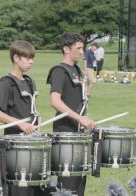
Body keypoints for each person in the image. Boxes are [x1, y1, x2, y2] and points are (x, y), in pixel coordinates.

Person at [47, 32, 96, 196]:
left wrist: (91, 84)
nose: (82, 52)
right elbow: (55, 101)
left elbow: (81, 99)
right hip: (65, 133)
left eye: (83, 48)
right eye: (79, 48)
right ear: (66, 49)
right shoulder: (59, 71)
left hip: (79, 133)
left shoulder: (76, 69)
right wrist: (79, 118)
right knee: (67, 185)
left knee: (80, 181)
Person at [0, 40, 38, 135]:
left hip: (31, 137)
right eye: (28, 58)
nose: (31, 62)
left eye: (32, 58)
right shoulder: (6, 82)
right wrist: (19, 123)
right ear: (16, 58)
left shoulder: (29, 81)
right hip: (14, 141)